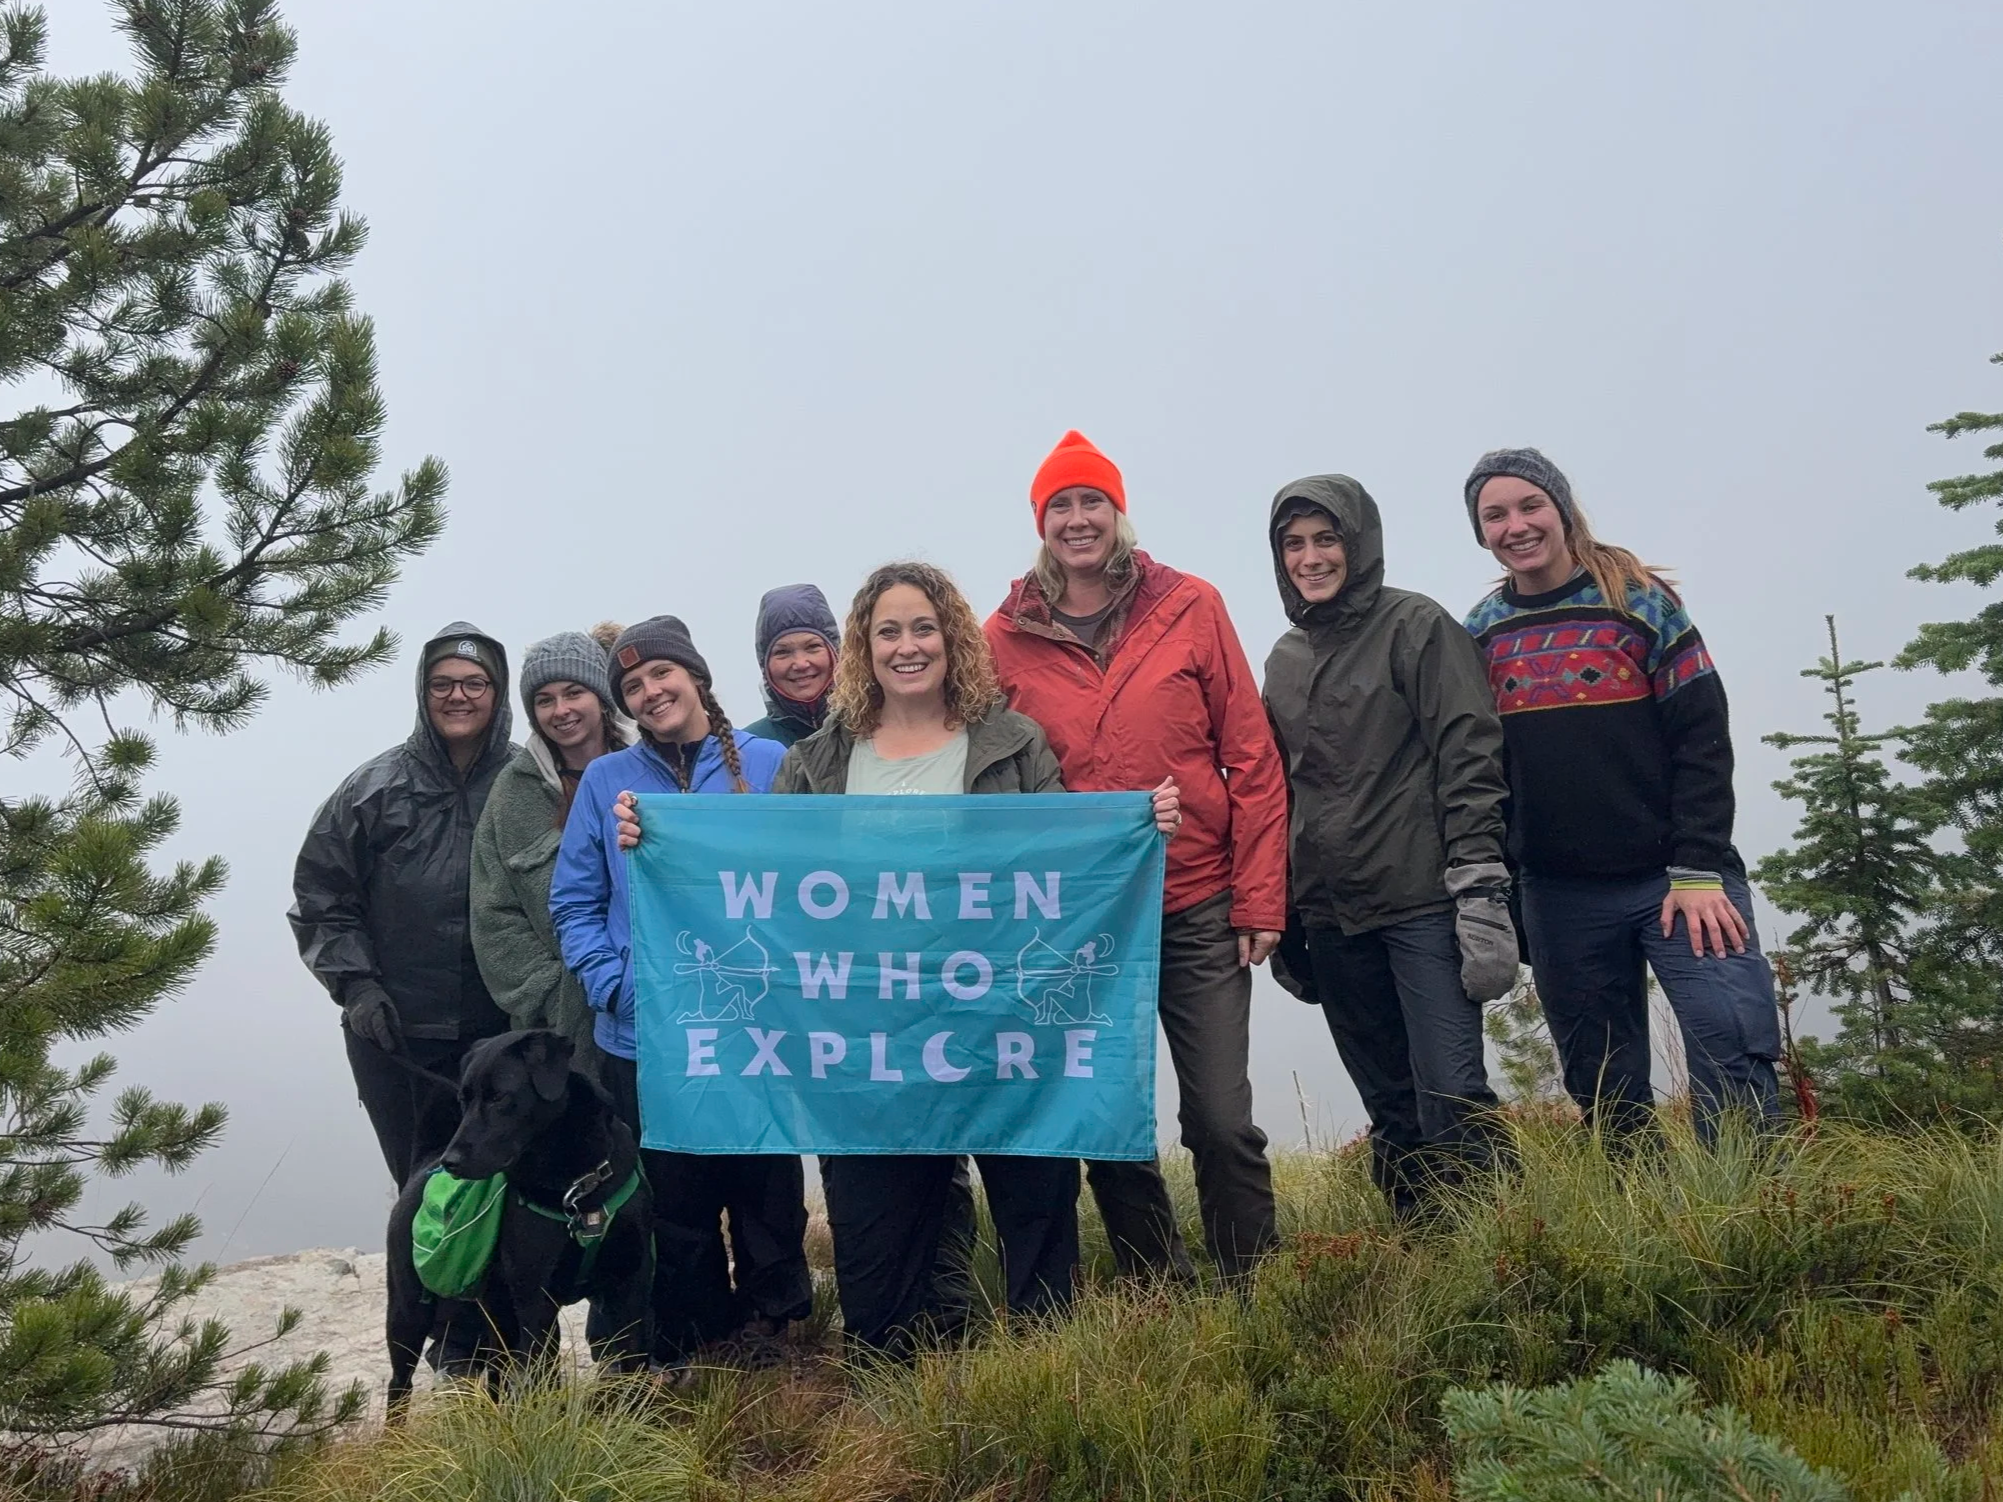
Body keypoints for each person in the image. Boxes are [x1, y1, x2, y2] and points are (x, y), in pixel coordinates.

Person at [619, 562, 1179, 1358]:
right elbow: (769, 879)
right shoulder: (819, 760)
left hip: (1001, 1026)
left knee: (1032, 1204)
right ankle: (901, 1374)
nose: (906, 646)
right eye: (888, 631)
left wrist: (1139, 823)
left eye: (922, 628)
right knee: (877, 1267)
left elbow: (1067, 865)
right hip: (865, 1038)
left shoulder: (1011, 744)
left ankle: (1048, 1371)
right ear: (864, 647)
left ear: (950, 638)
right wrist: (658, 843)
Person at [985, 430, 1287, 1283]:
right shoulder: (1002, 636)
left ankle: (1253, 1281)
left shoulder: (1191, 604)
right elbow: (980, 769)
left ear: (1118, 514)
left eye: (1092, 503)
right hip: (1081, 918)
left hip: (1199, 901)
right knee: (1107, 1115)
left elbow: (1251, 756)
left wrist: (1261, 896)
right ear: (1040, 523)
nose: (1077, 520)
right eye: (1060, 506)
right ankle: (1157, 1279)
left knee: (1220, 1116)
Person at [1462, 448, 1782, 1138]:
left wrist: (1698, 869)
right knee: (1603, 1085)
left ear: (1560, 510)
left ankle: (1752, 1217)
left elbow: (1701, 739)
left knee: (1732, 1048)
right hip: (1558, 893)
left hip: (1677, 880)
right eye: (1495, 515)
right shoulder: (1481, 632)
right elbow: (1477, 769)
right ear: (1481, 531)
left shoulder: (1638, 604)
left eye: (1529, 506)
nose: (1515, 525)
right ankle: (1645, 1220)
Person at [548, 615, 812, 1367]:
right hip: (647, 1034)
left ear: (696, 678)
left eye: (661, 675)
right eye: (631, 686)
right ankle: (696, 1331)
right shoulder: (608, 781)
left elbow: (811, 879)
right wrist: (615, 985)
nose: (650, 691)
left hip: (756, 1024)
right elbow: (573, 900)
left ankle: (773, 1321)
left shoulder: (768, 763)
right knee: (673, 1192)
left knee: (763, 1181)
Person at [1262, 477, 1515, 1217]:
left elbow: (1469, 754)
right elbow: (1280, 787)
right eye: (1294, 544)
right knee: (1391, 1109)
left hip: (1421, 902)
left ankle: (1506, 1255)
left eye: (1325, 539)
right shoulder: (1284, 657)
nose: (1310, 558)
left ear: (1358, 541)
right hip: (1332, 914)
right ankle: (1424, 1259)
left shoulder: (1417, 626)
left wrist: (1478, 888)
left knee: (1452, 1094)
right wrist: (1284, 910)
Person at [290, 622, 516, 1188]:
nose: (457, 696)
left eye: (473, 683)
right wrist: (358, 988)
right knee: (422, 1188)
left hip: (504, 1031)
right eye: (442, 684)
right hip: (399, 1037)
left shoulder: (527, 782)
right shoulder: (373, 788)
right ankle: (424, 1280)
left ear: (498, 691)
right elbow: (322, 897)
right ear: (422, 692)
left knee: (511, 1188)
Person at [470, 627, 635, 1085]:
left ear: (601, 696)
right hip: (558, 1041)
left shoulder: (650, 770)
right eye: (544, 699)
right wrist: (553, 994)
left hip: (657, 1011)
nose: (560, 710)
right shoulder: (513, 793)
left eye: (573, 692)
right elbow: (493, 916)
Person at [742, 583, 840, 747]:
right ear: (764, 666)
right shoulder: (748, 748)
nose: (800, 664)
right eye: (782, 652)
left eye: (812, 647)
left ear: (835, 652)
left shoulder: (876, 728)